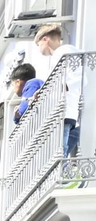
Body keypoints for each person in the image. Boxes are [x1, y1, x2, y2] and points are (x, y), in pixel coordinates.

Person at [34, 23, 80, 158]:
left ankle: (62, 174)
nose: (39, 49)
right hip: (66, 112)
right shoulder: (62, 54)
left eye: (38, 45)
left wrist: (50, 89)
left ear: (45, 39)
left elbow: (74, 79)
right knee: (61, 150)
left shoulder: (64, 52)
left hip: (66, 110)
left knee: (61, 150)